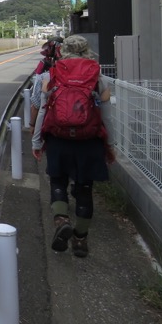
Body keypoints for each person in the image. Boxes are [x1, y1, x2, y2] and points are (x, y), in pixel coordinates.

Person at [32, 34, 110, 258]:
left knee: (57, 180)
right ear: (87, 51)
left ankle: (61, 220)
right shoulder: (97, 75)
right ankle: (80, 240)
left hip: (58, 139)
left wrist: (37, 141)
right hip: (89, 140)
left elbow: (45, 110)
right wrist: (110, 144)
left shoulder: (53, 74)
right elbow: (107, 115)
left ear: (63, 51)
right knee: (85, 188)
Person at [28, 37, 62, 130]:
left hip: (48, 118)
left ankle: (35, 136)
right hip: (69, 114)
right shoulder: (68, 64)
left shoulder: (45, 65)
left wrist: (32, 125)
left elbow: (36, 103)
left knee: (40, 107)